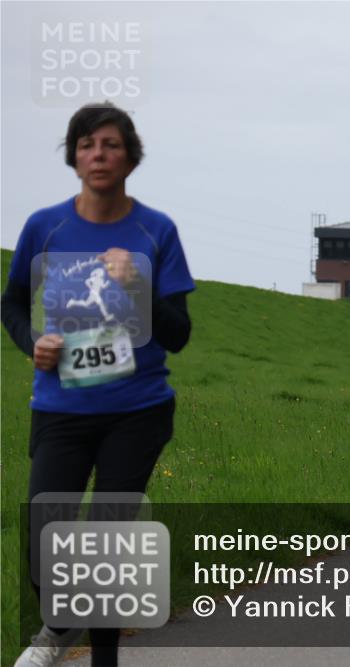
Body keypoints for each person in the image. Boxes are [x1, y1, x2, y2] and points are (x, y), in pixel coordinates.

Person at [2, 103, 195, 667]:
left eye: (110, 144)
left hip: (138, 411)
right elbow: (10, 302)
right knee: (45, 542)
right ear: (73, 156)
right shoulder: (46, 226)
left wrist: (140, 286)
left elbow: (180, 335)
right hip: (60, 408)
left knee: (107, 540)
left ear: (131, 156)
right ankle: (60, 626)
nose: (98, 154)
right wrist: (31, 341)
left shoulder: (155, 231)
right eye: (86, 144)